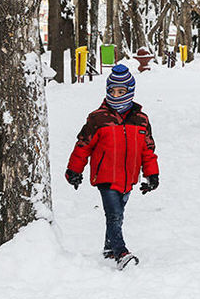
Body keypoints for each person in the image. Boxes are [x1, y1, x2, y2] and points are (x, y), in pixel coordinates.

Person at [65, 64, 160, 269]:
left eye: (121, 91)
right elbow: (83, 145)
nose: (116, 95)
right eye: (112, 91)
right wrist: (74, 170)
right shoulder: (98, 118)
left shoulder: (141, 120)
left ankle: (109, 247)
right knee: (114, 214)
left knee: (118, 214)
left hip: (128, 178)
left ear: (130, 91)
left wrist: (151, 175)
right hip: (105, 176)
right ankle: (121, 252)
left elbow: (148, 150)